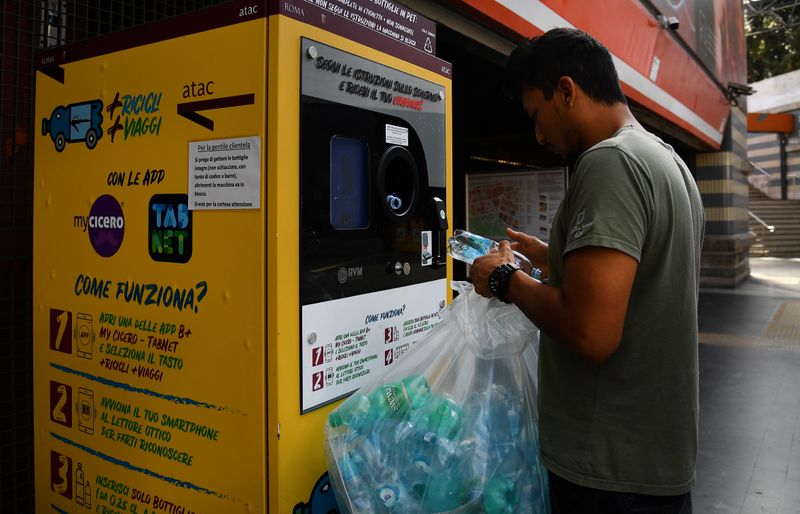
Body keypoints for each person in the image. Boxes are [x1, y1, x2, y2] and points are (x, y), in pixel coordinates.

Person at [470, 28, 704, 514]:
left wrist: (503, 280)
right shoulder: (668, 163)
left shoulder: (609, 162)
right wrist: (551, 256)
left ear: (567, 91)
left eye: (536, 114)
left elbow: (592, 331)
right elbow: (646, 280)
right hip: (654, 460)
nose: (537, 135)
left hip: (607, 469)